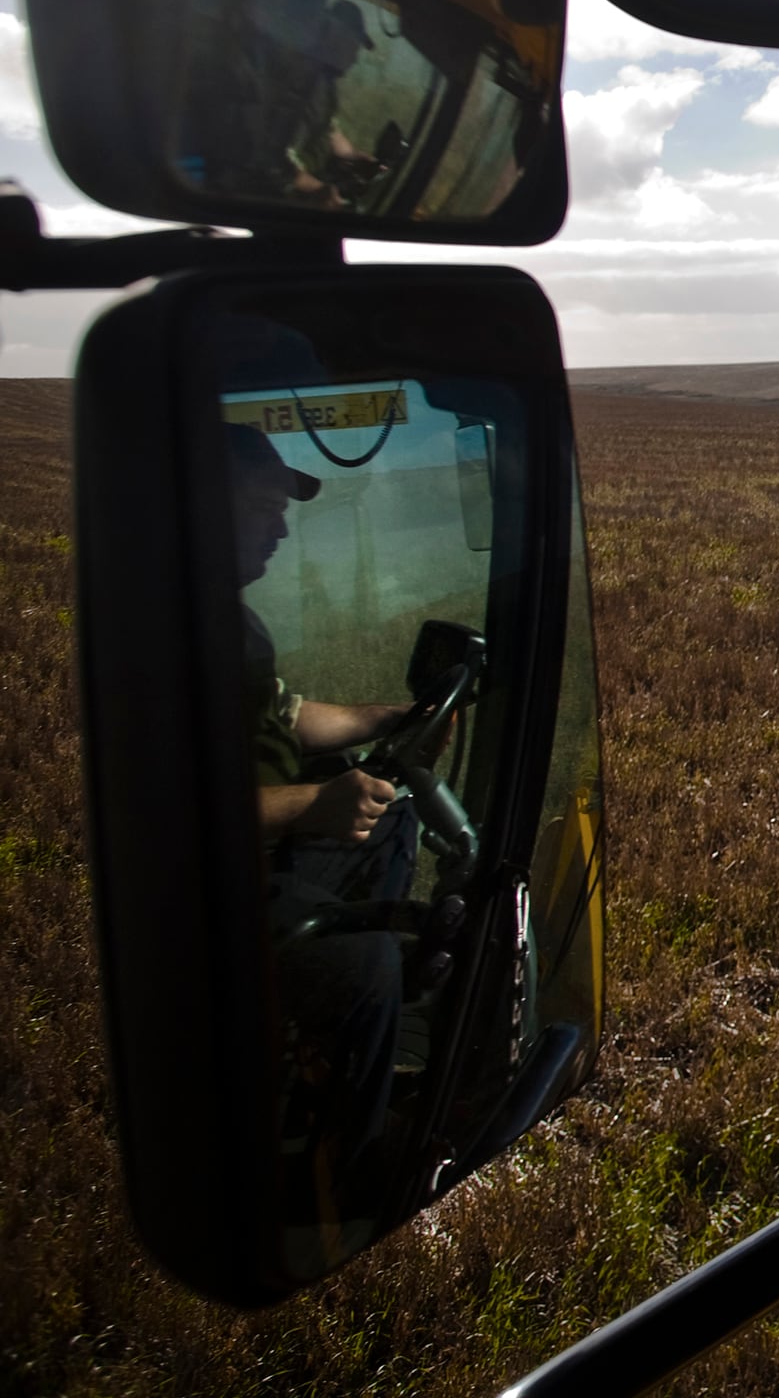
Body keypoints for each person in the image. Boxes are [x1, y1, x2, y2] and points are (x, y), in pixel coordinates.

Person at [230, 424, 425, 1221]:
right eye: (260, 508)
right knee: (370, 964)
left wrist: (390, 717)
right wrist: (315, 803)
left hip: (281, 850)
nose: (281, 527)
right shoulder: (169, 640)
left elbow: (291, 719)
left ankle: (325, 1052)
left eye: (282, 509)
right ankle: (340, 1181)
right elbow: (177, 808)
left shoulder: (233, 623)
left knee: (394, 819)